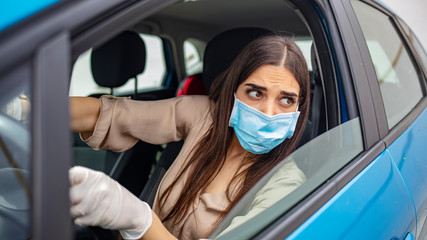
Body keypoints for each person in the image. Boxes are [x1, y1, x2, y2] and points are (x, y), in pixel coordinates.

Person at [69, 34, 310, 240]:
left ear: (299, 108)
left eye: (286, 99)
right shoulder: (205, 116)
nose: (268, 113)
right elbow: (113, 115)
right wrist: (34, 107)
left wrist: (139, 220)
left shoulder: (286, 185)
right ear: (234, 92)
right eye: (256, 92)